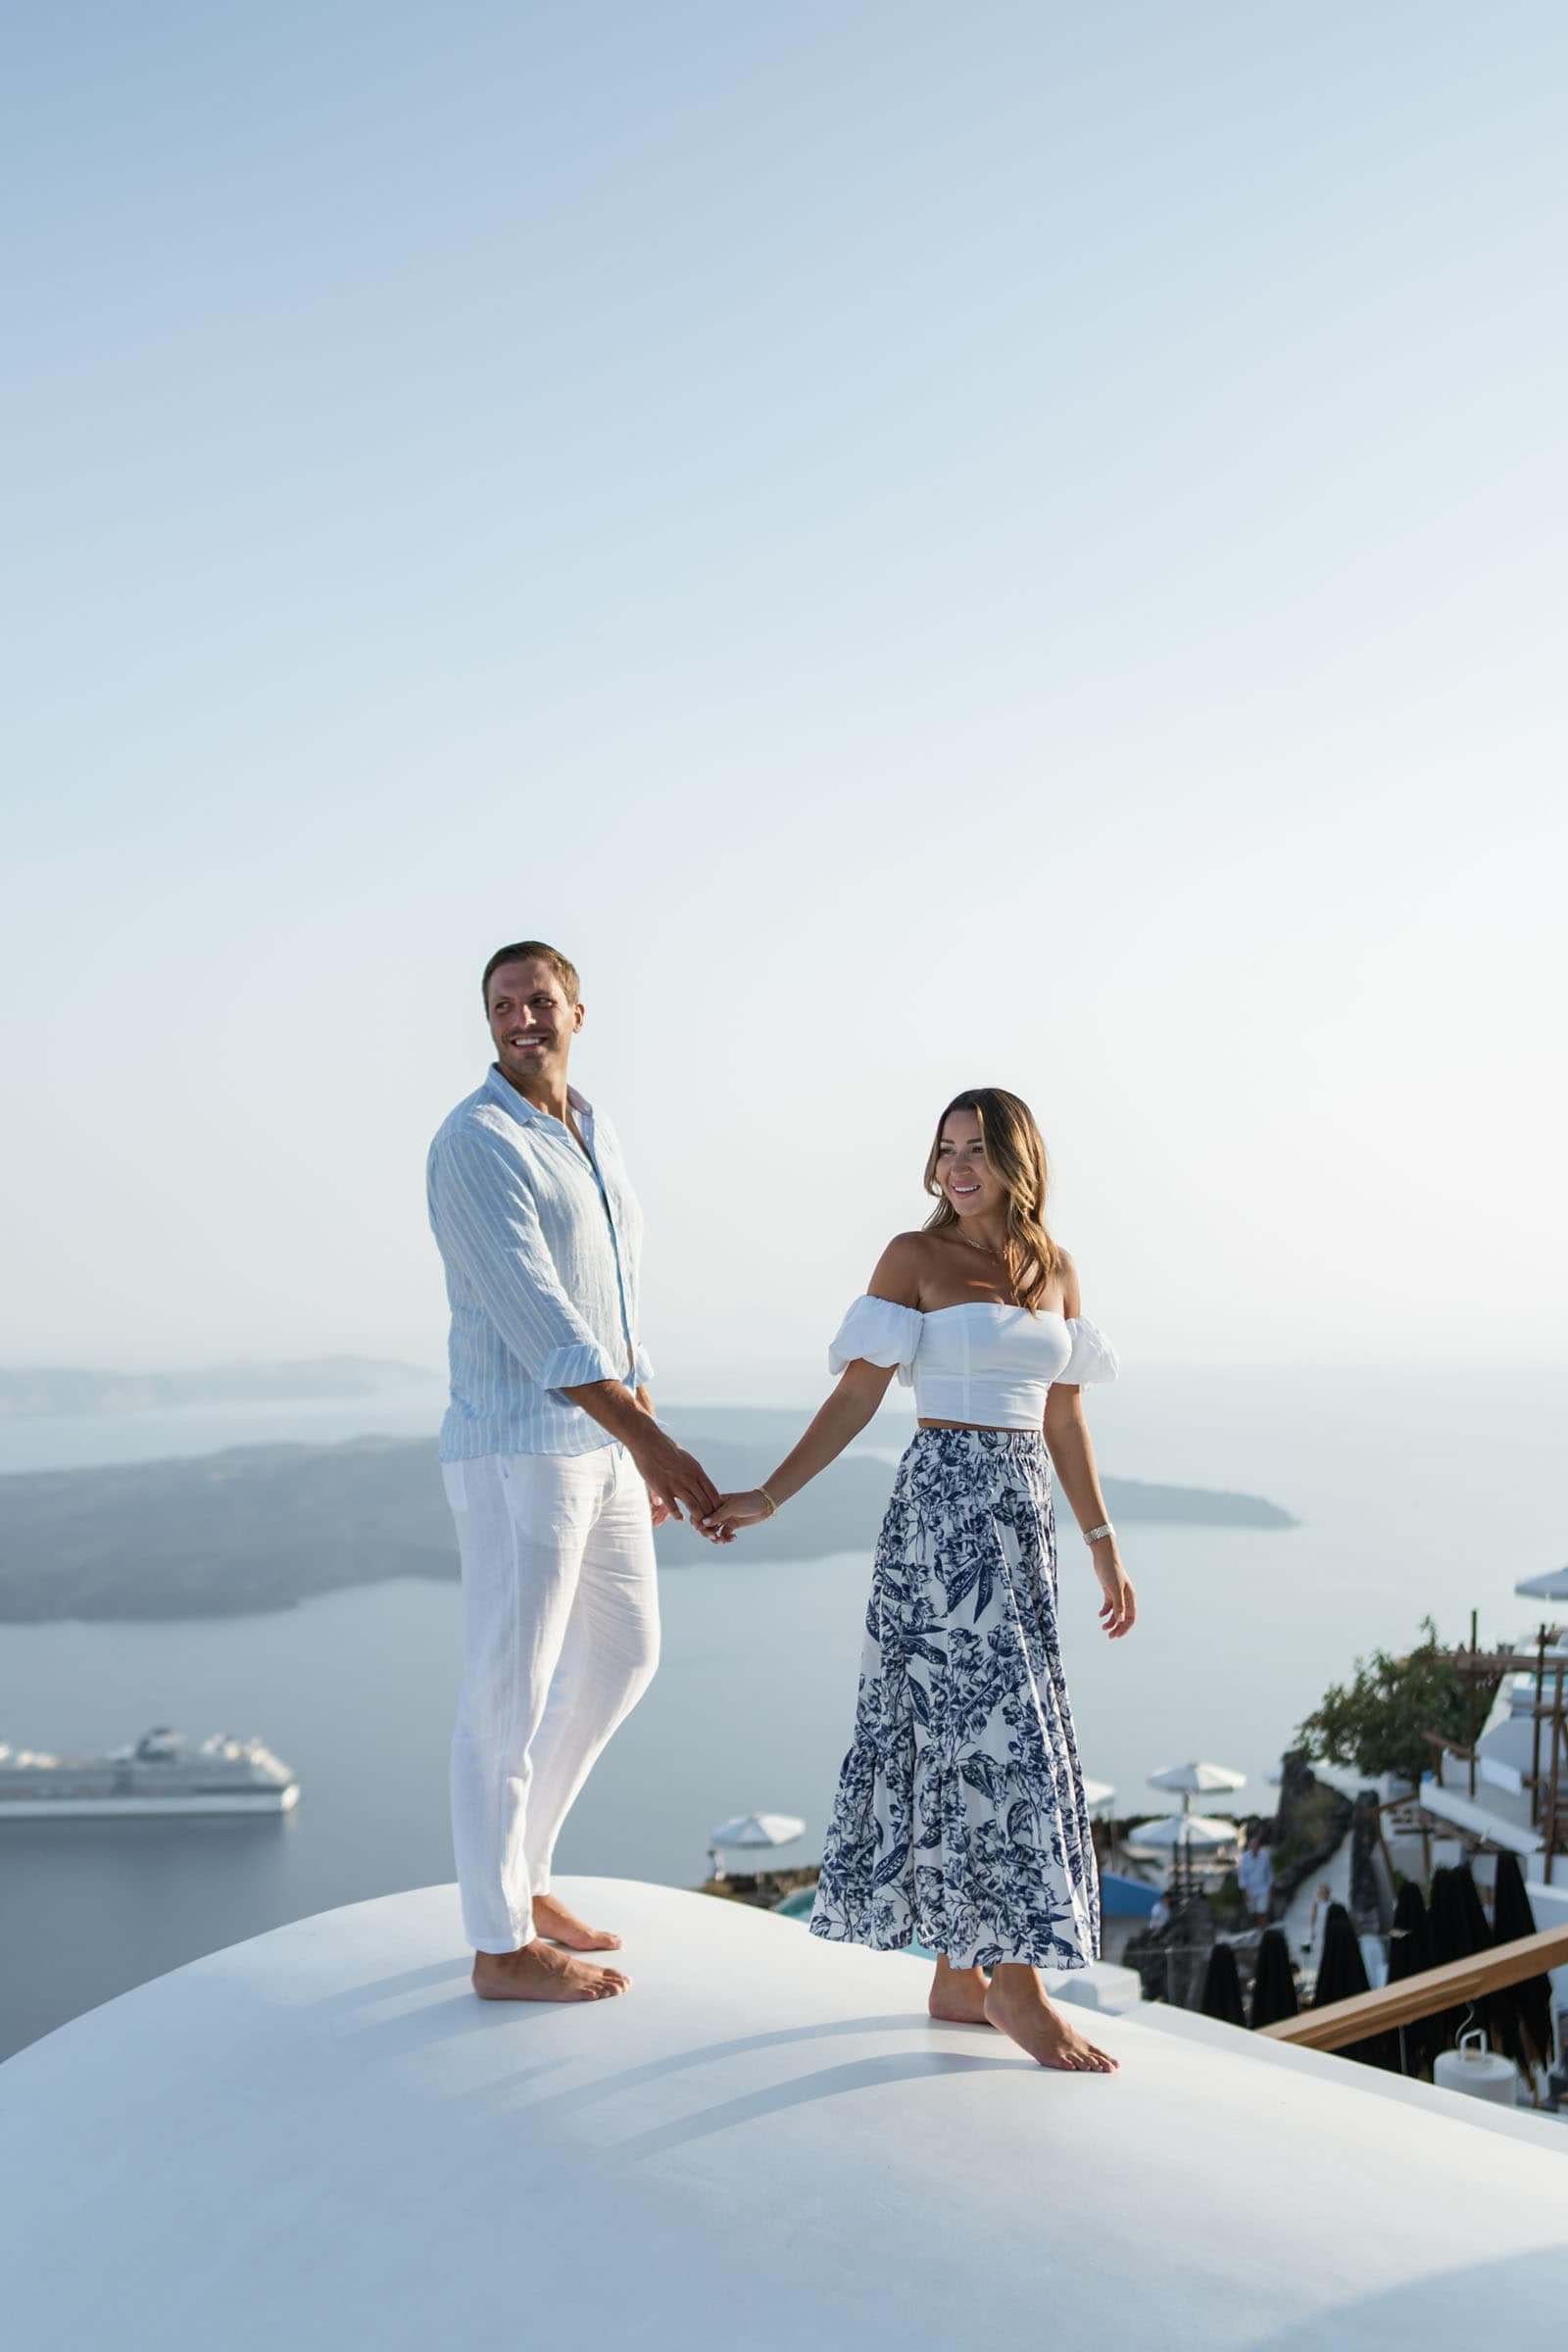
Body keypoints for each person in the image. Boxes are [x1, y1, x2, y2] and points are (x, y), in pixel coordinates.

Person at [703, 1087, 1136, 2073]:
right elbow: (858, 1390)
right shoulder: (914, 1257)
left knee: (971, 1730)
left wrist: (1103, 1538)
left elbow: (1064, 1417)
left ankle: (956, 1976)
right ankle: (1014, 1984)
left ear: (1017, 1160)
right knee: (988, 1734)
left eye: (976, 1149)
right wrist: (770, 1496)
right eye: (945, 1150)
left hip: (1021, 1521)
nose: (956, 1167)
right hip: (943, 1517)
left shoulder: (1055, 1270)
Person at [427, 939, 719, 2004]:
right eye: (503, 1005)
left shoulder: (588, 1128)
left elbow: (616, 1299)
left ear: (577, 1012)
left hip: (601, 1447)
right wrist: (656, 1444)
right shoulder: (474, 1143)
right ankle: (497, 1944)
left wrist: (642, 1431)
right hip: (517, 1453)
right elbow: (540, 1321)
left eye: (539, 1001)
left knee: (625, 1657)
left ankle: (527, 1874)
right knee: (504, 1694)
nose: (521, 1019)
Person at [1238, 1828, 1274, 1929]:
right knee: (1253, 1913)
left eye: (1256, 1845)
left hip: (1263, 1890)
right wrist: (1244, 1892)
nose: (1254, 1847)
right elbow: (1242, 1876)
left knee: (1262, 1912)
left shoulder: (1265, 1856)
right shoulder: (1245, 1858)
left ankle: (1264, 1932)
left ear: (1259, 1846)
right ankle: (1258, 1931)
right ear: (1249, 1846)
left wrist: (1270, 1889)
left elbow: (1269, 1874)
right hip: (1251, 1891)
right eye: (1252, 1845)